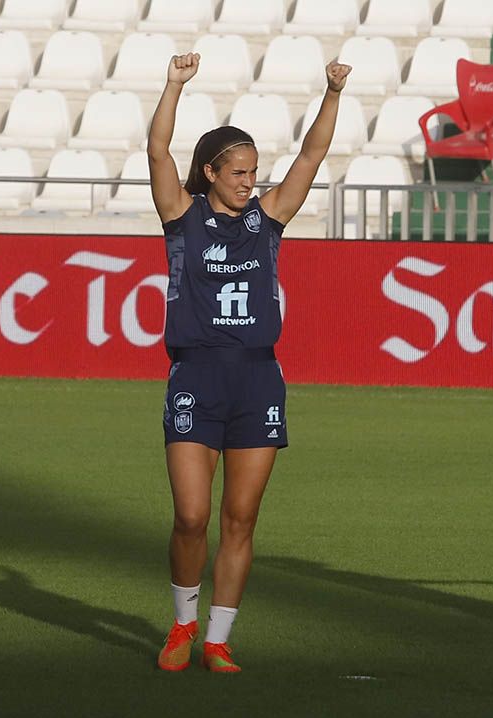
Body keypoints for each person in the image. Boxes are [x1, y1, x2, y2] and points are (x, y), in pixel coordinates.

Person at [148, 53, 351, 673]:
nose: (249, 181)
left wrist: (332, 94)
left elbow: (311, 159)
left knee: (240, 518)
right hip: (196, 375)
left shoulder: (269, 220)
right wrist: (174, 84)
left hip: (258, 378)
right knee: (191, 515)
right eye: (238, 172)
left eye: (254, 172)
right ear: (210, 172)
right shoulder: (182, 218)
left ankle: (217, 638)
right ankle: (182, 625)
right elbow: (157, 150)